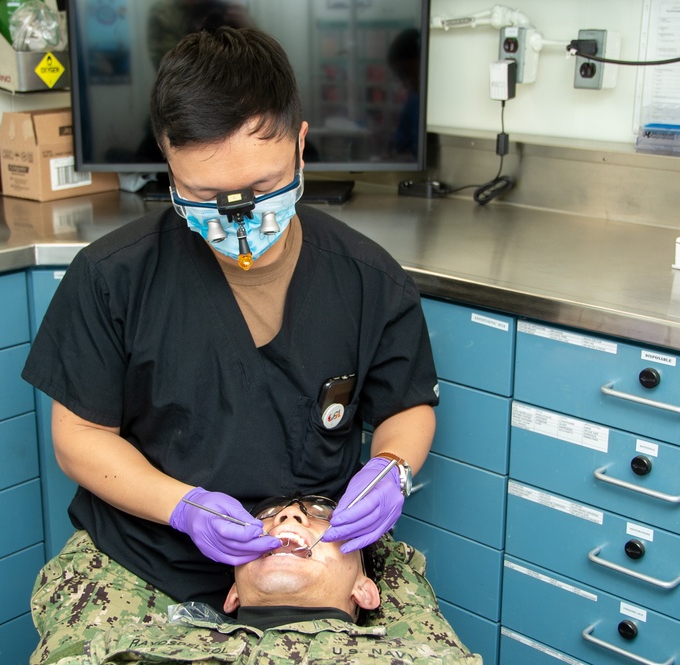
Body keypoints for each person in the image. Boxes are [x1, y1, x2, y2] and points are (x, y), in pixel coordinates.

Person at [23, 26, 441, 663]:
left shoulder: (367, 279)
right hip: (148, 559)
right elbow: (78, 435)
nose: (241, 216)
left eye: (263, 186)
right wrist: (182, 506)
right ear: (169, 166)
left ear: (301, 145)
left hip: (320, 577)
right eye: (207, 196)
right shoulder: (114, 277)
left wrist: (393, 469)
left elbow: (405, 404)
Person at [49, 496, 481, 663]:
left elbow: (395, 566)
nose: (288, 516)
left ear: (366, 590)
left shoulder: (419, 656)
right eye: (267, 520)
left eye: (318, 517)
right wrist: (178, 507)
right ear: (231, 593)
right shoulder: (132, 647)